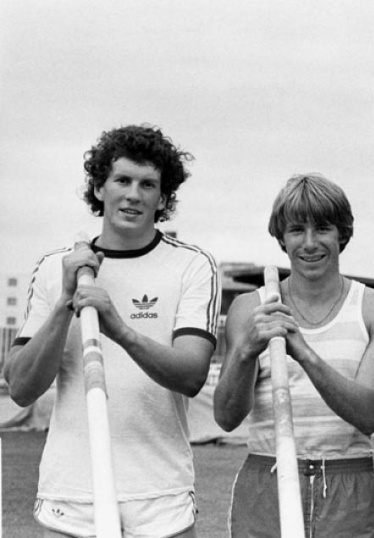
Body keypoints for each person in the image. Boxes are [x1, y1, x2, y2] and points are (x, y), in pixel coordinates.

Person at [4, 124, 221, 537]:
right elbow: (21, 387)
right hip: (72, 495)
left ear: (163, 197)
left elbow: (192, 375)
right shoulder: (55, 268)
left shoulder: (192, 265)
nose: (134, 195)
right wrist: (67, 301)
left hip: (160, 497)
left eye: (148, 184)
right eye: (122, 180)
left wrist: (119, 329)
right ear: (100, 188)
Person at [214, 173, 374, 538]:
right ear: (281, 237)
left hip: (348, 483)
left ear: (342, 233)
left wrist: (303, 352)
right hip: (267, 477)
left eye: (323, 229)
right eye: (297, 230)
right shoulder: (250, 308)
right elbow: (227, 417)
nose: (310, 243)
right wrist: (247, 351)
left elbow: (370, 415)